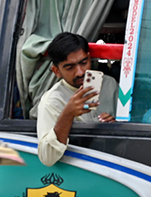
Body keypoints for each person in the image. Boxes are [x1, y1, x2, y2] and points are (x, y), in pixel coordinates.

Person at [37, 32, 117, 167]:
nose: (80, 72)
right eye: (70, 67)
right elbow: (47, 158)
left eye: (84, 63)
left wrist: (115, 126)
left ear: (89, 58)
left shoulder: (110, 85)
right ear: (56, 71)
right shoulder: (52, 101)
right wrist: (68, 114)